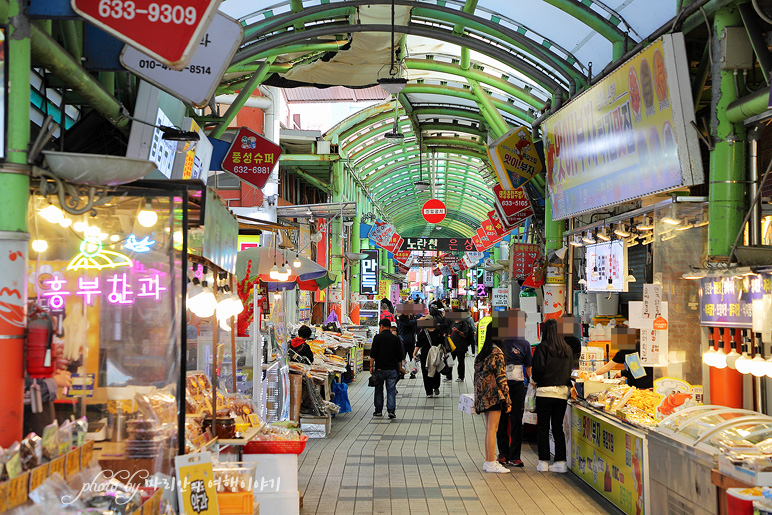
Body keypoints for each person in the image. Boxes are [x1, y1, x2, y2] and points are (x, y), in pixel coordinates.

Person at [532, 318, 573, 473]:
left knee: (543, 426)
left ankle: (543, 462)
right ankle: (561, 462)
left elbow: (538, 369)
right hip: (562, 393)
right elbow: (569, 371)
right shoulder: (567, 349)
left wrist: (536, 379)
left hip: (544, 392)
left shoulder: (542, 347)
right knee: (557, 426)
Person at [494, 310, 532, 468]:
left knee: (517, 419)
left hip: (517, 386)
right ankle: (503, 453)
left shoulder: (524, 344)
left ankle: (515, 456)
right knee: (501, 419)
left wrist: (532, 382)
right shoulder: (499, 341)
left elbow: (528, 368)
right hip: (500, 385)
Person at [473, 325, 511, 473]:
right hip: (494, 395)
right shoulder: (498, 353)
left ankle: (489, 460)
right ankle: (490, 462)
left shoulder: (483, 353)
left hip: (483, 395)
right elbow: (501, 379)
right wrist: (507, 400)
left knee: (489, 429)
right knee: (492, 429)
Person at [370, 318, 403, 418]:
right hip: (392, 369)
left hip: (380, 369)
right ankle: (391, 411)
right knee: (391, 390)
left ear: (381, 326)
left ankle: (378, 411)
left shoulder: (377, 337)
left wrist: (371, 366)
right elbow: (399, 356)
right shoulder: (396, 339)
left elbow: (373, 353)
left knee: (379, 390)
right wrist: (400, 368)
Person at [414, 315, 443, 397]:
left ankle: (436, 386)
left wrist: (445, 353)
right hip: (425, 356)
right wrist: (414, 353)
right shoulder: (422, 333)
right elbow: (418, 344)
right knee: (426, 372)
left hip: (436, 355)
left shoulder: (438, 332)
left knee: (436, 372)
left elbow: (443, 343)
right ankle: (428, 391)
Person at [446, 308, 475, 382]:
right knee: (450, 361)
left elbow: (465, 335)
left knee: (461, 362)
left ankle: (461, 377)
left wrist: (458, 331)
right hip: (452, 346)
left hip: (461, 346)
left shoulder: (464, 323)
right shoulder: (452, 322)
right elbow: (449, 332)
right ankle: (448, 376)